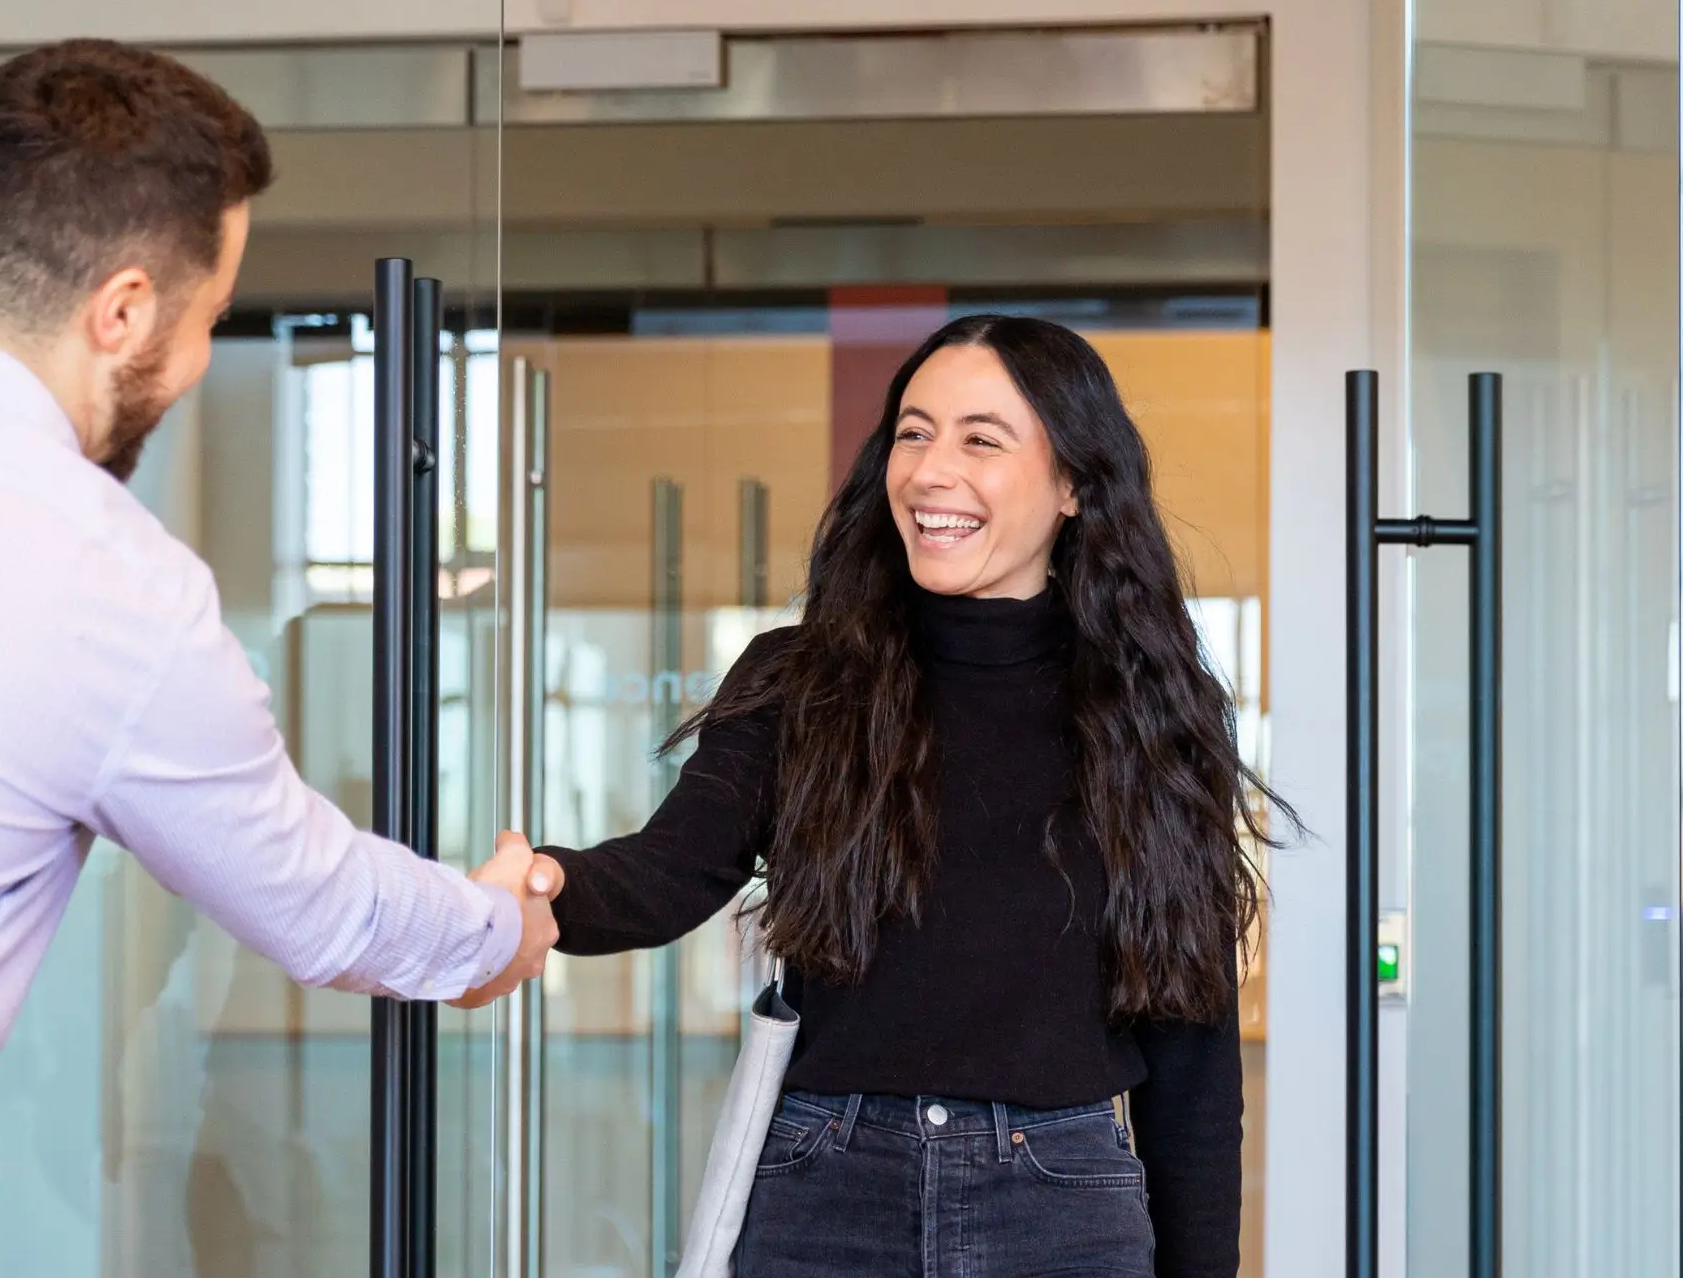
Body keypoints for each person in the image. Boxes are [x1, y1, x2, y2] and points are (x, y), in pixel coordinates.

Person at [0, 39, 552, 1275]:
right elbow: (317, 900)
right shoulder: (104, 578)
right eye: (209, 322)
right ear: (123, 308)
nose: (193, 364)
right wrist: (497, 925)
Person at [514, 313, 1293, 1277]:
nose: (929, 472)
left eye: (981, 438)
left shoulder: (1149, 714)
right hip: (823, 1191)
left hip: (1061, 1209)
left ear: (1075, 486)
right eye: (913, 433)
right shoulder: (803, 679)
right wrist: (541, 883)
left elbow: (1191, 1053)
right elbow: (672, 870)